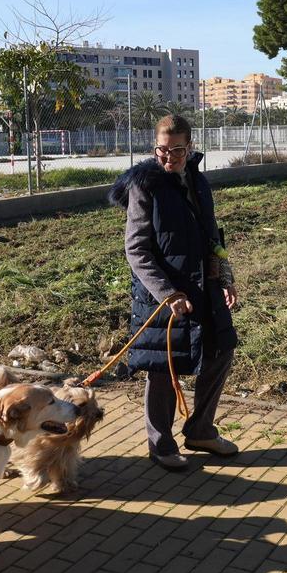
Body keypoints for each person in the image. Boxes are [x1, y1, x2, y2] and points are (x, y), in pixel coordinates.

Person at [108, 115, 239, 471]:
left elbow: (213, 237)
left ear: (190, 146)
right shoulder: (144, 185)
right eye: (162, 150)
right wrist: (167, 293)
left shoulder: (199, 181)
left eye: (177, 150)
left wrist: (225, 276)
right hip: (161, 292)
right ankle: (161, 444)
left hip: (203, 287)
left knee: (221, 350)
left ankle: (200, 430)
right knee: (163, 367)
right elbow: (136, 249)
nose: (169, 158)